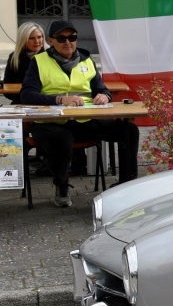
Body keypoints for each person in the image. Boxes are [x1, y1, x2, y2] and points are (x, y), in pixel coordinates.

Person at [20, 20, 139, 206]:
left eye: (72, 37)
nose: (68, 42)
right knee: (60, 138)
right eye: (62, 38)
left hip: (84, 120)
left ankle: (128, 182)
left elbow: (103, 89)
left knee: (129, 130)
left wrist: (104, 96)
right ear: (51, 41)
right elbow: (27, 94)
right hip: (51, 123)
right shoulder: (39, 61)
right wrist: (59, 99)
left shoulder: (87, 60)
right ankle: (61, 185)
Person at [3, 22, 45, 104]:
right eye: (31, 38)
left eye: (39, 37)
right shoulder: (14, 57)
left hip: (46, 102)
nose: (37, 41)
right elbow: (7, 88)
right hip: (21, 103)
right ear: (23, 39)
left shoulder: (50, 55)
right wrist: (26, 97)